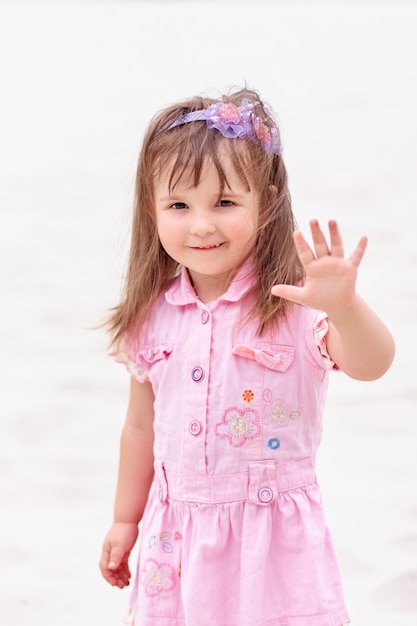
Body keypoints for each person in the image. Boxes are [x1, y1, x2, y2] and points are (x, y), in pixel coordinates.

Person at [99, 87, 395, 626]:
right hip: (177, 541)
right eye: (180, 205)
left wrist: (346, 307)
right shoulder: (151, 315)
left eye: (226, 203)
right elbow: (140, 428)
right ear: (152, 209)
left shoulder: (294, 302)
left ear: (268, 201)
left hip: (273, 544)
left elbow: (372, 364)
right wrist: (125, 519)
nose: (202, 224)